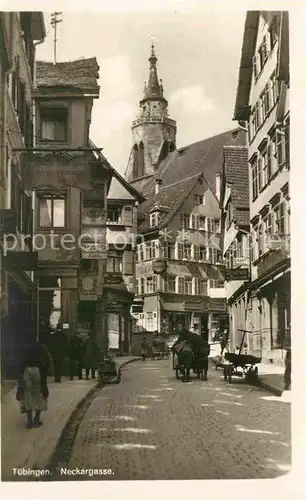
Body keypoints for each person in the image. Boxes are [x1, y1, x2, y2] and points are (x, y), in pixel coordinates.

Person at [16, 341, 50, 429]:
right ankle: (37, 419)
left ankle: (29, 420)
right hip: (39, 371)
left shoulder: (25, 347)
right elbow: (47, 361)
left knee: (28, 395)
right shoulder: (42, 348)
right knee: (39, 395)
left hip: (27, 371)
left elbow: (20, 362)